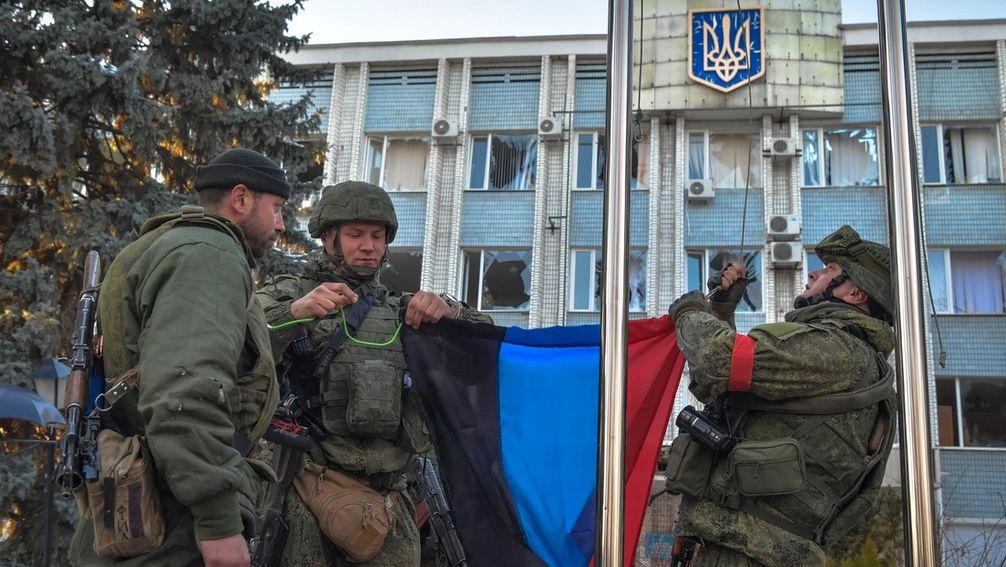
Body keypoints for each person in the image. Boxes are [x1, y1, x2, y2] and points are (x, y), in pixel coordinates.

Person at [71, 148, 289, 567]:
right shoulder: (211, 255)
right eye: (277, 208)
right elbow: (185, 391)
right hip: (175, 523)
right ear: (241, 199)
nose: (281, 224)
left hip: (142, 507)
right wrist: (220, 524)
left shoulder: (163, 244)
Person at [256, 180, 490, 566]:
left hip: (389, 499)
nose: (368, 246)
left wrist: (450, 311)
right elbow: (238, 347)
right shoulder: (290, 293)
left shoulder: (405, 312)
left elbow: (484, 347)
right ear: (328, 237)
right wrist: (293, 314)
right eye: (355, 234)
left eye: (377, 236)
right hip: (306, 490)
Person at [664, 225, 898, 567]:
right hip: (746, 545)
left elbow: (719, 361)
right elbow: (727, 388)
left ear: (856, 294)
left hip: (752, 550)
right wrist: (721, 314)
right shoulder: (846, 353)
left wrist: (688, 313)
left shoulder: (840, 350)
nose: (815, 272)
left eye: (831, 270)